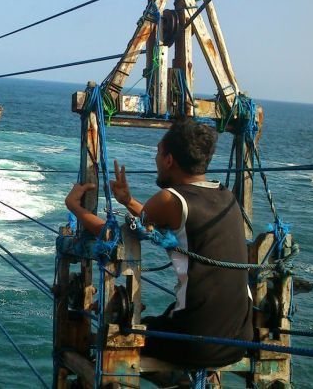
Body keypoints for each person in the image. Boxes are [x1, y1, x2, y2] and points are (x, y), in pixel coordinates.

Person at [64, 118, 253, 368]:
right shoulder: (226, 196)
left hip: (196, 342)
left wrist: (74, 207)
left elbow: (115, 237)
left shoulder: (170, 198)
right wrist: (128, 201)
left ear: (169, 160)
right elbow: (152, 220)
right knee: (156, 322)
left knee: (112, 336)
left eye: (158, 153)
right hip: (241, 338)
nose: (156, 159)